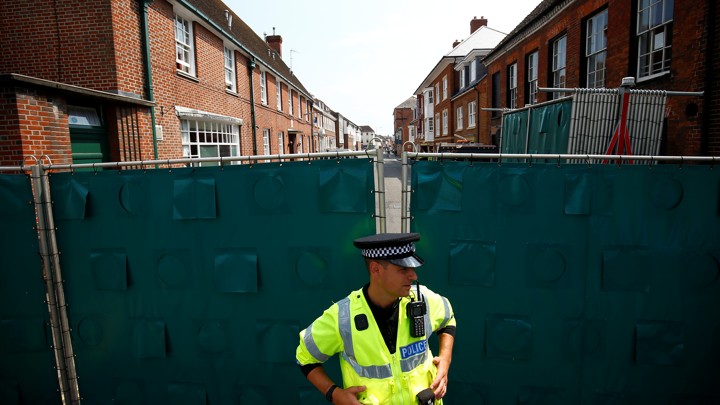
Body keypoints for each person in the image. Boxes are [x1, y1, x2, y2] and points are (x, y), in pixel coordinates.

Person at [295, 232, 456, 404]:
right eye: (403, 269)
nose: (414, 276)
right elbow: (305, 358)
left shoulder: (422, 299)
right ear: (376, 269)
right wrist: (334, 394)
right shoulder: (343, 317)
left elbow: (447, 320)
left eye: (413, 268)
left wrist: (445, 361)